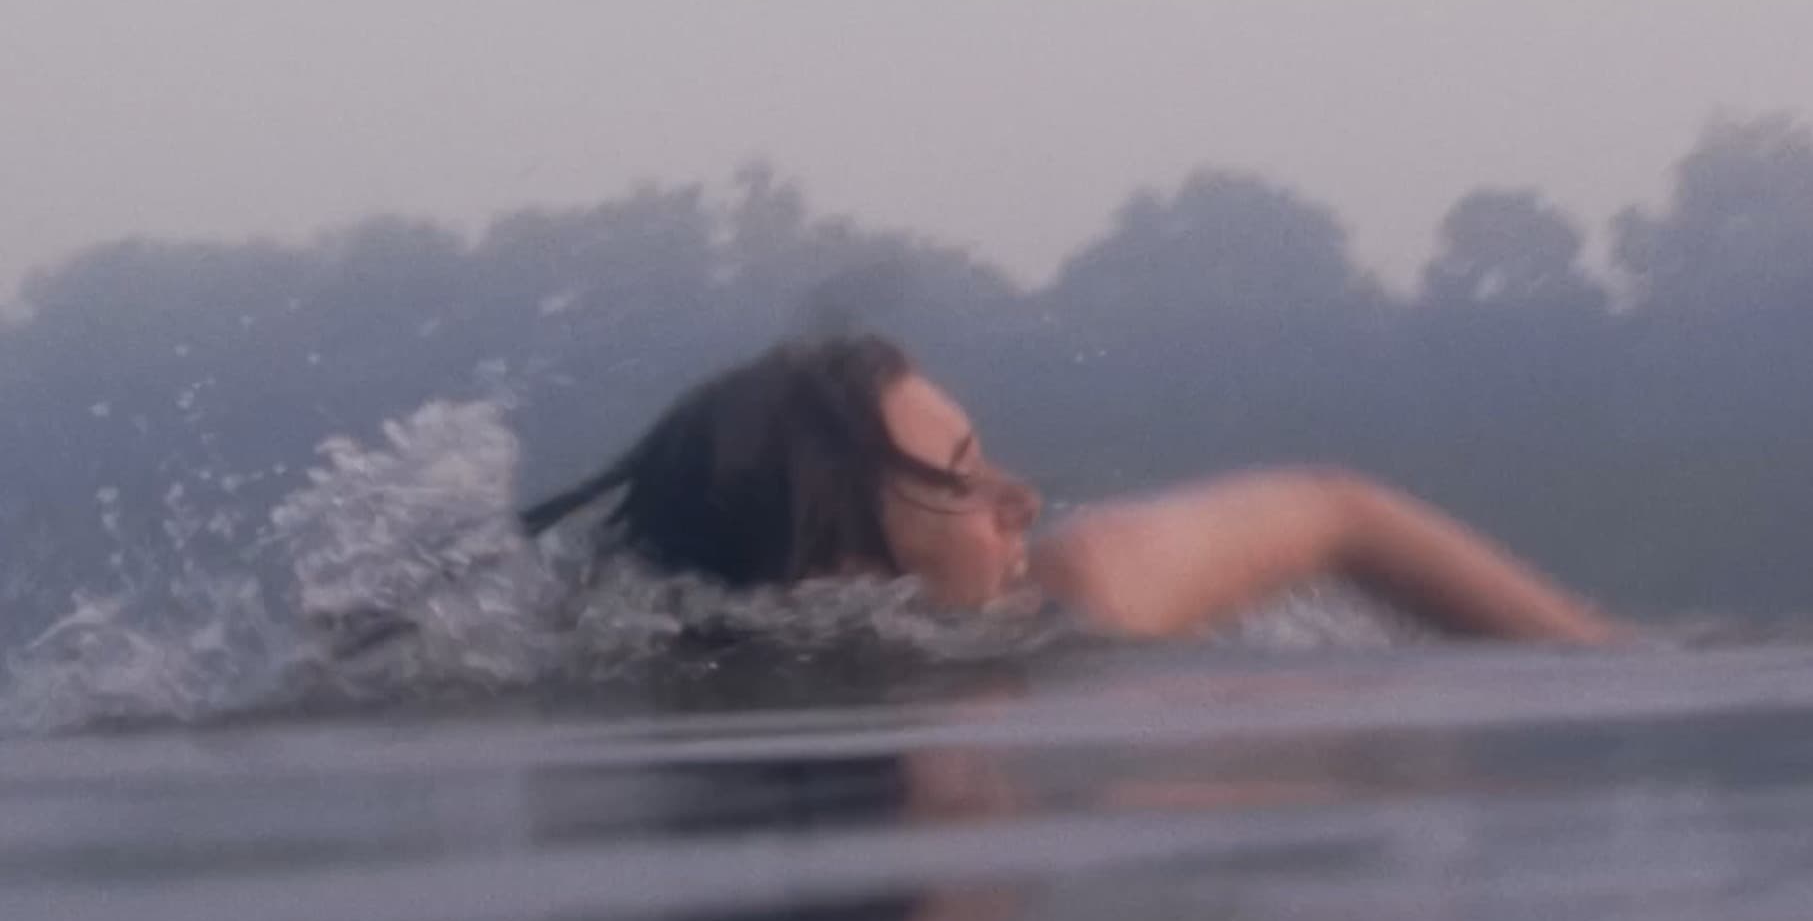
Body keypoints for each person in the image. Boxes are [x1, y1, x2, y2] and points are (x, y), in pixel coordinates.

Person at [518, 334, 1616, 644]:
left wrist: (1602, 668)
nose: (1023, 501)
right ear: (837, 570)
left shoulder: (1081, 591)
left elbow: (1336, 508)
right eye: (960, 481)